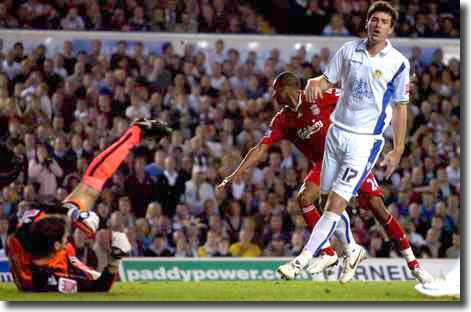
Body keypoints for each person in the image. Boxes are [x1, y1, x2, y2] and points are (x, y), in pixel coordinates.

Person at [218, 71, 431, 284]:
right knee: (305, 198)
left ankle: (414, 265)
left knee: (378, 209)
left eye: (276, 91)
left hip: (349, 155)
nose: (273, 97)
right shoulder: (282, 120)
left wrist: (393, 86)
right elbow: (259, 149)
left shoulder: (319, 95)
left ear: (287, 88)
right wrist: (235, 174)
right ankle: (328, 252)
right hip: (324, 164)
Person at [283, 1, 411, 284]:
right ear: (367, 22)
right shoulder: (348, 51)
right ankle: (351, 250)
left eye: (384, 21)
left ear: (391, 28)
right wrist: (316, 82)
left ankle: (302, 259)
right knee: (328, 201)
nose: (378, 24)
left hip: (364, 142)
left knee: (341, 204)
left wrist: (398, 148)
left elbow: (401, 107)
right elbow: (327, 81)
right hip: (336, 138)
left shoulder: (398, 63)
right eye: (374, 19)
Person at [6, 118, 172, 292]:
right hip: (52, 266)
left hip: (41, 254)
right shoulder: (49, 279)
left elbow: (36, 211)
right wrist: (115, 259)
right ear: (58, 246)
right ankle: (135, 132)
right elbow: (99, 286)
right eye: (65, 235)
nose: (68, 236)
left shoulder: (25, 231)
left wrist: (72, 214)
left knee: (92, 183)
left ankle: (136, 131)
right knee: (93, 181)